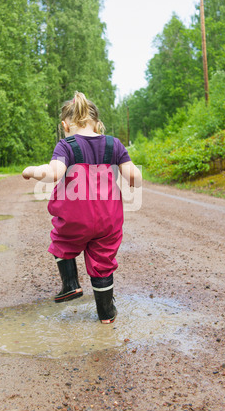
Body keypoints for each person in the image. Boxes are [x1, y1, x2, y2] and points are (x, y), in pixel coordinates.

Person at [22, 92, 141, 324]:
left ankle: (71, 284)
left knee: (61, 240)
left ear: (65, 125)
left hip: (73, 219)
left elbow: (54, 172)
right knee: (103, 259)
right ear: (97, 123)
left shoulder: (66, 146)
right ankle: (106, 313)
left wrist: (31, 170)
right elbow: (134, 177)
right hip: (108, 220)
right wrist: (135, 177)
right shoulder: (114, 144)